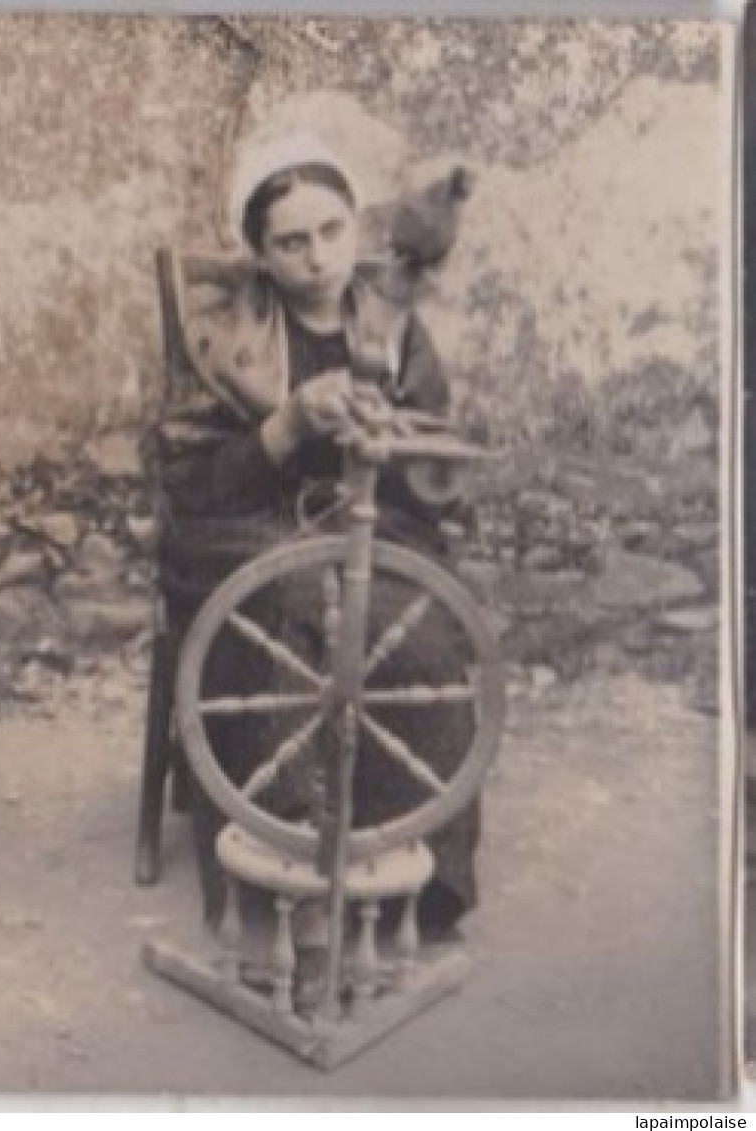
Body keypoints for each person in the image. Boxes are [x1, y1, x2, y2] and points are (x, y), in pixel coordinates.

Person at [154, 131, 480, 948]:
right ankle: (287, 868)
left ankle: (415, 869)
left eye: (332, 232)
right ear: (259, 255)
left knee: (419, 628)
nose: (316, 258)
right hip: (247, 530)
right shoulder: (220, 342)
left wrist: (391, 440)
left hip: (377, 520)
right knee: (297, 612)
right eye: (291, 242)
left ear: (354, 229)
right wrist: (288, 422)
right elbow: (192, 487)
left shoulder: (393, 330)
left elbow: (436, 473)